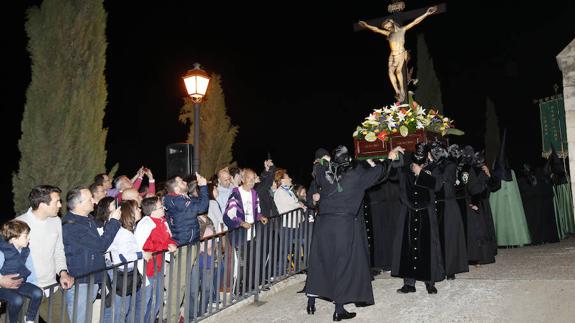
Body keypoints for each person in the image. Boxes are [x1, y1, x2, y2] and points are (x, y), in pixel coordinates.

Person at [305, 145, 403, 321]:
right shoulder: (356, 175)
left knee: (320, 261)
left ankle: (311, 302)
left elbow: (317, 166)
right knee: (342, 263)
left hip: (323, 224)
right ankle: (339, 309)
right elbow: (381, 173)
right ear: (348, 160)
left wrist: (324, 162)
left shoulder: (322, 172)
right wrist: (390, 158)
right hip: (343, 224)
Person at [62, 186, 121, 323]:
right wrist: (114, 222)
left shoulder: (87, 219)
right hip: (81, 282)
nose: (94, 202)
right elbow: (100, 245)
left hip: (92, 279)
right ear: (79, 204)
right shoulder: (72, 225)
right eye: (90, 199)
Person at [392, 143, 444, 294]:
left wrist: (421, 173)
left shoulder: (434, 168)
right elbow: (392, 174)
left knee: (427, 246)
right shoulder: (405, 167)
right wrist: (393, 156)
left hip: (426, 212)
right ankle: (409, 283)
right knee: (407, 247)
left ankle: (430, 282)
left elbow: (438, 185)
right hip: (408, 212)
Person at [16, 185, 73, 323]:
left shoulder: (56, 221)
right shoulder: (18, 224)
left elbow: (58, 250)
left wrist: (63, 272)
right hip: (27, 292)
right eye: (56, 202)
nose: (60, 205)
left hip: (52, 288)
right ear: (42, 205)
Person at [358, 6, 437, 102]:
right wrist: (366, 25)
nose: (387, 28)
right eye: (385, 28)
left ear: (391, 22)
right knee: (390, 72)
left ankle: (402, 91)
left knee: (398, 72)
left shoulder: (402, 30)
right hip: (392, 55)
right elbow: (376, 29)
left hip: (400, 53)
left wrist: (426, 14)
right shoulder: (388, 34)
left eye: (387, 26)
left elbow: (415, 22)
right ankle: (397, 90)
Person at [0, 220, 43, 323]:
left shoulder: (25, 250)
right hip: (3, 287)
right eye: (25, 236)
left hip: (20, 283)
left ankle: (29, 319)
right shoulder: (3, 251)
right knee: (17, 300)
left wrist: (35, 283)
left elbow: (30, 267)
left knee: (38, 293)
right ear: (14, 239)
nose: (28, 238)